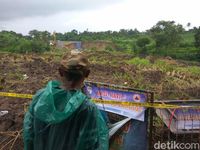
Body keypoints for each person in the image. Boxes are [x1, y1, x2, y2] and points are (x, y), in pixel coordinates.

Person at [23, 51, 109, 150]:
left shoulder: (40, 98)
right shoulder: (87, 108)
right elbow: (94, 143)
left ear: (60, 71)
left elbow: (28, 133)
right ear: (87, 74)